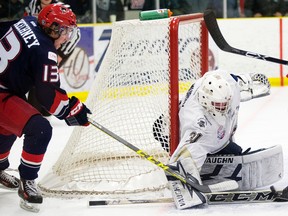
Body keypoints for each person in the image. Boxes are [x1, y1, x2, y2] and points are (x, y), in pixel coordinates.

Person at [0, 3, 91, 208]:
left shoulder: (29, 21)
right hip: (2, 92)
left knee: (9, 124)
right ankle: (28, 182)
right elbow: (48, 97)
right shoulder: (45, 51)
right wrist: (73, 109)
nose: (68, 36)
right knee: (39, 129)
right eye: (66, 30)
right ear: (54, 28)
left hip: (5, 89)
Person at [153, 70, 282, 209]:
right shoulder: (199, 126)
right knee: (224, 151)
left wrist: (247, 79)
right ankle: (204, 172)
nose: (224, 108)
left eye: (226, 103)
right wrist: (187, 183)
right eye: (219, 105)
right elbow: (181, 161)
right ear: (205, 101)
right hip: (168, 131)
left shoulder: (226, 83)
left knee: (231, 148)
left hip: (177, 121)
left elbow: (233, 78)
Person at [24, 0, 81, 118]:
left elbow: (76, 34)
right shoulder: (33, 4)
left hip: (56, 47)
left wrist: (60, 55)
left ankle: (43, 109)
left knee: (44, 77)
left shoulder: (62, 8)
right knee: (40, 76)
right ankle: (41, 110)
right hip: (41, 45)